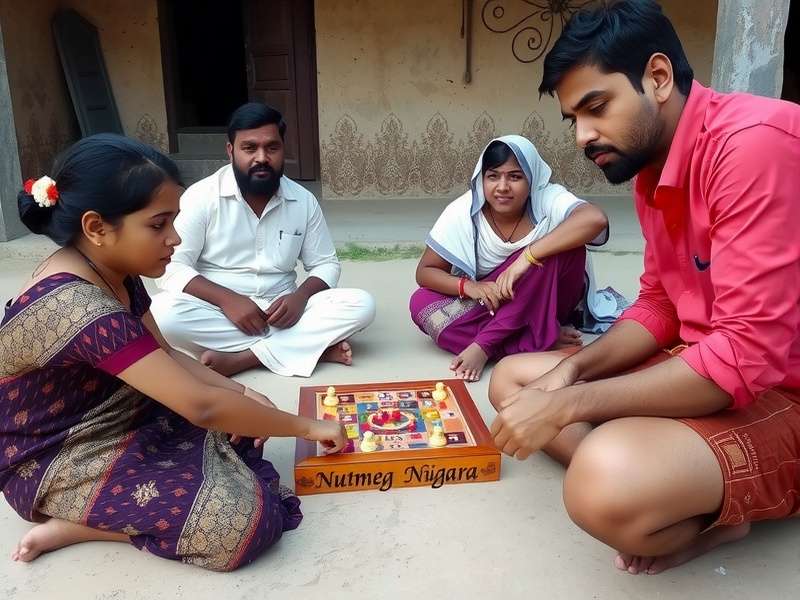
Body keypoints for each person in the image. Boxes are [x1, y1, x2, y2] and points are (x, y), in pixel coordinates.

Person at [489, 0, 800, 576]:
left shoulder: (751, 145)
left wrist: (570, 402)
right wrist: (572, 373)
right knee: (514, 379)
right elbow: (659, 305)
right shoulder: (651, 163)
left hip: (781, 388)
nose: (583, 135)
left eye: (596, 107)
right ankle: (695, 490)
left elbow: (745, 355)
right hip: (705, 361)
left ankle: (693, 496)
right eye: (573, 119)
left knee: (600, 482)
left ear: (657, 77)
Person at [1, 134, 348, 570]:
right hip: (54, 457)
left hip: (117, 415)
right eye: (158, 224)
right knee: (237, 525)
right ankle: (80, 526)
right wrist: (307, 427)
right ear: (96, 228)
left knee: (241, 427)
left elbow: (165, 354)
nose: (175, 239)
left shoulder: (113, 271)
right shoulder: (74, 304)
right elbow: (201, 407)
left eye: (175, 222)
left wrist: (239, 395)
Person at [150, 102, 375, 377]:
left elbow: (326, 265)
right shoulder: (201, 197)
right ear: (230, 150)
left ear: (283, 149)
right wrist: (227, 300)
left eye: (272, 148)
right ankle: (311, 349)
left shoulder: (302, 201)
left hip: (283, 314)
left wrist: (300, 298)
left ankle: (242, 359)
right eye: (249, 148)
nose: (262, 158)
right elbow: (173, 267)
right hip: (219, 311)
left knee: (361, 305)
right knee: (163, 312)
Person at [409, 135, 609, 381]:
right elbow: (425, 272)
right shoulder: (463, 211)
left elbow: (594, 220)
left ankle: (485, 345)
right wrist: (470, 286)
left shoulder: (547, 197)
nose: (502, 187)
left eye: (515, 177)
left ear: (531, 179)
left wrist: (527, 257)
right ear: (481, 179)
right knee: (421, 303)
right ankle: (541, 336)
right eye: (493, 176)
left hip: (546, 300)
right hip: (494, 301)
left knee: (561, 248)